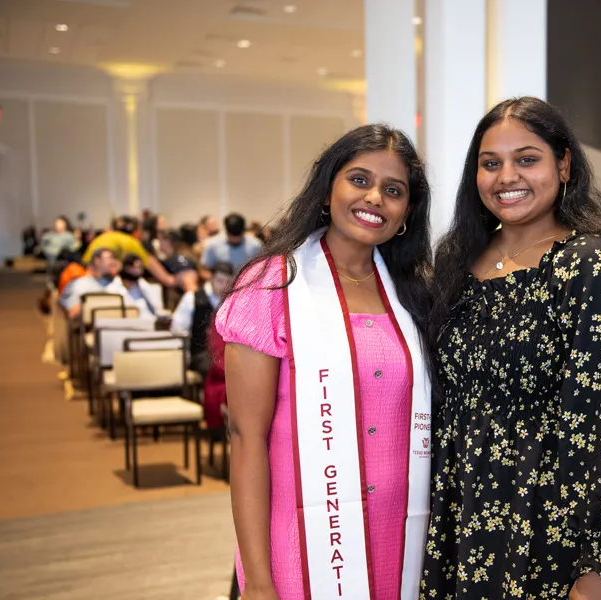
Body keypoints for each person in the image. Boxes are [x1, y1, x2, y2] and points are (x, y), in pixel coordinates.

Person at [424, 97, 601, 600]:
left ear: (563, 164)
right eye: (491, 163)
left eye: (527, 159)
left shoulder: (592, 265)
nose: (507, 176)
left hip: (546, 521)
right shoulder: (458, 261)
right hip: (461, 509)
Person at [216, 125, 434, 599]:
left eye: (393, 191)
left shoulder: (415, 295)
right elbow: (246, 438)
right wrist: (257, 579)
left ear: (406, 212)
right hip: (303, 544)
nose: (375, 197)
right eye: (359, 180)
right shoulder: (271, 287)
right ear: (328, 187)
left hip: (400, 541)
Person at [171, 261, 233, 375]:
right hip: (201, 354)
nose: (224, 286)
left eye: (227, 282)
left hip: (227, 353)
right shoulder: (192, 299)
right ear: (211, 278)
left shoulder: (234, 302)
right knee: (218, 369)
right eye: (220, 281)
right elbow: (177, 330)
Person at [82, 216, 176, 289]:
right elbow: (151, 263)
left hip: (86, 277)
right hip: (100, 280)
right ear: (136, 231)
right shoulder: (130, 241)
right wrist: (171, 280)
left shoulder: (104, 237)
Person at [59, 248, 119, 319]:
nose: (114, 262)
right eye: (110, 258)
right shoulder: (79, 284)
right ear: (97, 261)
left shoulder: (117, 283)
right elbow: (73, 313)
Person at [106, 253, 164, 318]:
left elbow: (158, 311)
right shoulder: (111, 290)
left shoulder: (150, 288)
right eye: (135, 267)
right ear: (126, 268)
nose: (138, 271)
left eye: (140, 267)